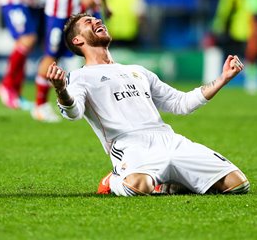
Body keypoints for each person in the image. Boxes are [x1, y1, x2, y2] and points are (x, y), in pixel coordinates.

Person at [46, 13, 249, 196]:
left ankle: (174, 183)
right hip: (130, 144)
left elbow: (182, 103)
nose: (97, 21)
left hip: (168, 139)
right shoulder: (79, 77)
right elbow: (73, 113)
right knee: (137, 187)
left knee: (238, 184)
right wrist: (61, 90)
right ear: (77, 40)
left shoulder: (138, 71)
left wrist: (223, 78)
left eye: (97, 19)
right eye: (88, 22)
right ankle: (112, 181)